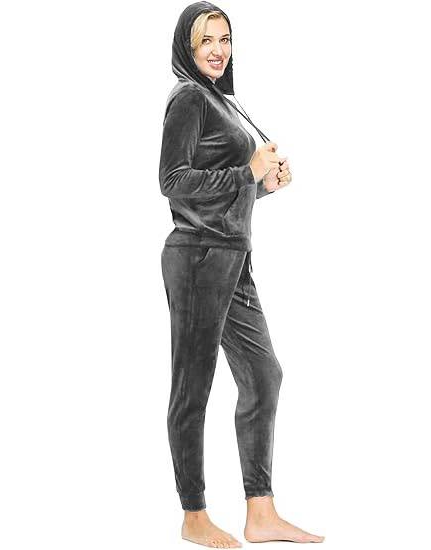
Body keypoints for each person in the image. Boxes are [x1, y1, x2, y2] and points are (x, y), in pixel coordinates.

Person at [159, 2, 324, 547]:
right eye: (206, 39)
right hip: (198, 258)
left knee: (262, 373)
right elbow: (172, 181)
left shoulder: (220, 99)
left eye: (225, 38)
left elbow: (222, 187)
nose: (218, 49)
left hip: (232, 256)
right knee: (193, 387)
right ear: (187, 45)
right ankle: (194, 516)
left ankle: (261, 512)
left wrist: (262, 185)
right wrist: (247, 170)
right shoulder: (188, 97)